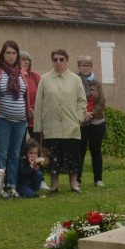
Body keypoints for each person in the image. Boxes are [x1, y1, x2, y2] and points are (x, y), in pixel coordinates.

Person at [34, 49, 89, 193]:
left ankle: (74, 183)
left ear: (67, 61)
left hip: (70, 125)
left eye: (61, 59)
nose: (58, 62)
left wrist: (78, 118)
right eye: (55, 59)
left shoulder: (75, 79)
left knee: (73, 156)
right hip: (51, 125)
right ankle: (54, 185)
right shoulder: (45, 79)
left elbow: (82, 101)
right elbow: (39, 103)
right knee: (54, 156)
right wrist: (38, 127)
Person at [0, 40, 28, 198]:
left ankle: (11, 186)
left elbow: (26, 94)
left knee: (15, 154)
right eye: (8, 53)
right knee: (2, 154)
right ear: (3, 55)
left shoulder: (22, 73)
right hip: (2, 119)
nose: (11, 56)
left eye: (14, 53)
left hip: (20, 121)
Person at [81, 57, 108, 187]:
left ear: (91, 68)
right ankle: (77, 180)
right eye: (82, 65)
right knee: (79, 151)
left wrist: (91, 114)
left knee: (95, 150)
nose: (85, 68)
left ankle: (98, 179)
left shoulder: (97, 83)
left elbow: (102, 101)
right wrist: (83, 114)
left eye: (87, 66)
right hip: (81, 121)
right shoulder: (75, 82)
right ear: (79, 67)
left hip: (97, 121)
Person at [20, 51, 42, 136]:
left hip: (34, 117)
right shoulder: (14, 77)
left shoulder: (35, 76)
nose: (27, 62)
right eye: (23, 59)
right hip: (20, 115)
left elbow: (41, 95)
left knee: (37, 144)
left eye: (28, 60)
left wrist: (33, 108)